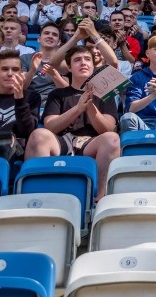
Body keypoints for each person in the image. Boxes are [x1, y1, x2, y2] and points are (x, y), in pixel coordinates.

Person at [24, 46, 120, 201]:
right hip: (62, 140)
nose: (83, 63)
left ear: (93, 66)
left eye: (87, 59)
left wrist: (89, 106)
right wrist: (78, 108)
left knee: (112, 139)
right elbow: (50, 126)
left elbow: (108, 128)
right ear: (69, 67)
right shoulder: (57, 94)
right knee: (38, 135)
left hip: (91, 142)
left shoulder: (104, 94)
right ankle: (37, 197)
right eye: (77, 60)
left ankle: (101, 198)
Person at [0, 50, 39, 162]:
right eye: (4, 69)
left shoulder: (31, 97)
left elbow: (26, 132)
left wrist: (19, 98)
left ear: (21, 73)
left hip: (14, 154)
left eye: (15, 69)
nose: (10, 73)